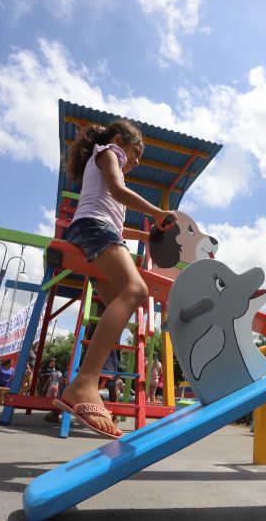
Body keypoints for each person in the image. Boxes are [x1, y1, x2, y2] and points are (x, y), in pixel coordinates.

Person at [53, 119, 176, 439]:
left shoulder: (104, 165)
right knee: (136, 290)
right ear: (120, 141)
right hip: (94, 229)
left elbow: (114, 216)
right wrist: (158, 213)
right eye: (135, 153)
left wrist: (146, 231)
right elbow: (119, 191)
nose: (135, 162)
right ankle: (84, 383)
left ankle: (93, 377)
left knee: (116, 305)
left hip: (95, 229)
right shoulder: (108, 152)